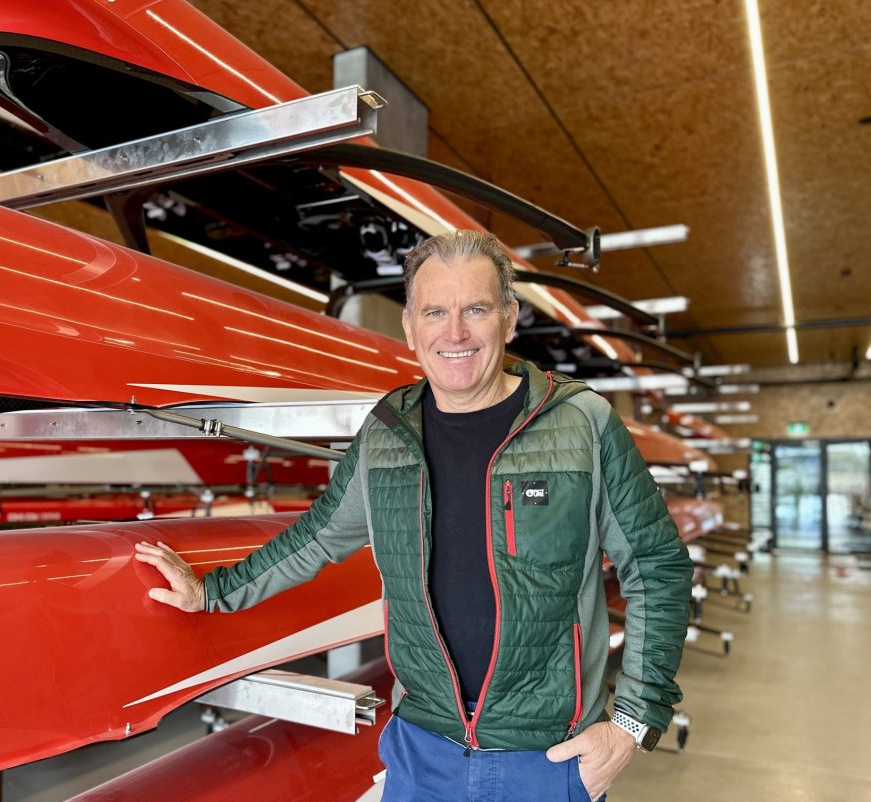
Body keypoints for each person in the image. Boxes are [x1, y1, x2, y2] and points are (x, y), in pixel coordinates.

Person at [136, 229, 693, 801]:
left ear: (509, 318)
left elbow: (658, 567)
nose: (454, 333)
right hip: (423, 749)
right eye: (435, 312)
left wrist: (629, 725)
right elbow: (319, 536)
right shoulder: (387, 432)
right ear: (409, 327)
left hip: (548, 758)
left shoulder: (583, 423)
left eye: (476, 309)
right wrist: (212, 592)